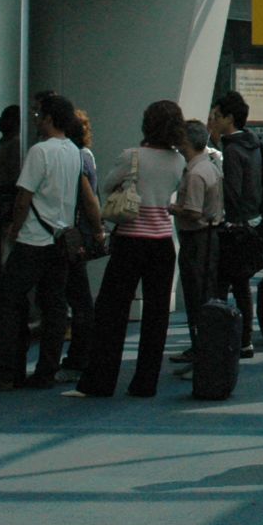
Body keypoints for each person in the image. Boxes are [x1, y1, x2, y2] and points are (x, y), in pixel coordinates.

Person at [0, 93, 104, 392]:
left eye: (40, 115)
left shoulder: (39, 152)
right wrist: (98, 228)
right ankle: (46, 371)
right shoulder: (74, 152)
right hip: (61, 240)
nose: (37, 119)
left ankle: (4, 370)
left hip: (33, 239)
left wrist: (14, 229)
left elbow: (24, 197)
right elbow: (85, 197)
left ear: (51, 118)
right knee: (54, 306)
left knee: (8, 301)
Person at [70, 100, 187, 398]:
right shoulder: (178, 162)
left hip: (131, 240)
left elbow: (107, 187)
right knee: (157, 315)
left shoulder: (132, 156)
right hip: (162, 243)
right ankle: (145, 383)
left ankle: (100, 381)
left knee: (112, 312)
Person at [208, 92, 261, 356]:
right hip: (250, 223)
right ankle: (244, 338)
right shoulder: (253, 145)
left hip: (232, 225)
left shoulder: (230, 150)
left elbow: (231, 191)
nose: (212, 120)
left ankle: (220, 338)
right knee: (241, 285)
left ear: (229, 118)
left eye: (216, 116)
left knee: (220, 285)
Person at [170, 118, 223, 359]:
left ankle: (200, 347)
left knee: (195, 295)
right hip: (210, 235)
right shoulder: (211, 166)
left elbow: (192, 212)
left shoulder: (194, 173)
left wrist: (173, 209)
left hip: (196, 238)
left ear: (187, 141)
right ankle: (206, 346)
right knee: (205, 292)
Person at [58, 108, 99, 375]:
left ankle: (79, 357)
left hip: (70, 234)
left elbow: (87, 198)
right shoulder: (85, 156)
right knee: (79, 297)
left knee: (78, 298)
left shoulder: (72, 157)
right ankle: (80, 356)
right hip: (78, 233)